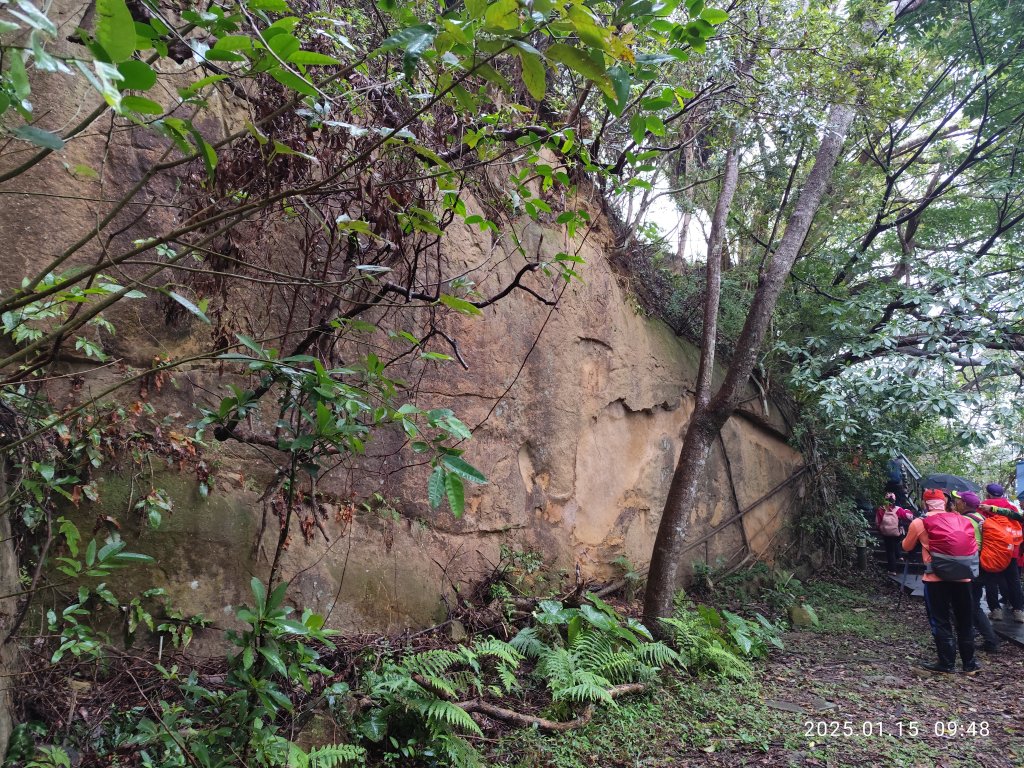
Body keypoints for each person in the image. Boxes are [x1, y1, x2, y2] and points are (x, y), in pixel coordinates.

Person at [902, 488, 979, 674]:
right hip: (963, 577)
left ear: (924, 503)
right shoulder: (961, 519)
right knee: (965, 621)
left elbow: (906, 546)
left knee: (940, 620)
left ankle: (946, 663)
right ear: (944, 502)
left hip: (935, 579)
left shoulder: (920, 522)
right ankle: (970, 664)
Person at [952, 491, 1001, 652]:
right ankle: (979, 637)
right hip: (984, 565)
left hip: (973, 566)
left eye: (959, 501)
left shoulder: (965, 520)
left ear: (965, 504)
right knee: (973, 602)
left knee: (972, 604)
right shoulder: (981, 518)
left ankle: (990, 641)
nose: (956, 503)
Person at [977, 482, 1024, 623]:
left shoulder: (983, 506)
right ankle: (1018, 611)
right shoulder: (1011, 507)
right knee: (1013, 580)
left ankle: (995, 610)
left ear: (988, 494)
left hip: (991, 551)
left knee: (991, 580)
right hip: (1011, 550)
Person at [876, 493, 913, 574]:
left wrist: (881, 530)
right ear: (894, 500)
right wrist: (907, 510)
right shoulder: (898, 509)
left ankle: (892, 569)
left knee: (890, 551)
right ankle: (899, 556)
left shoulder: (881, 509)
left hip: (886, 533)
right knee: (895, 543)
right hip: (896, 532)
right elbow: (908, 517)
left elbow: (878, 522)